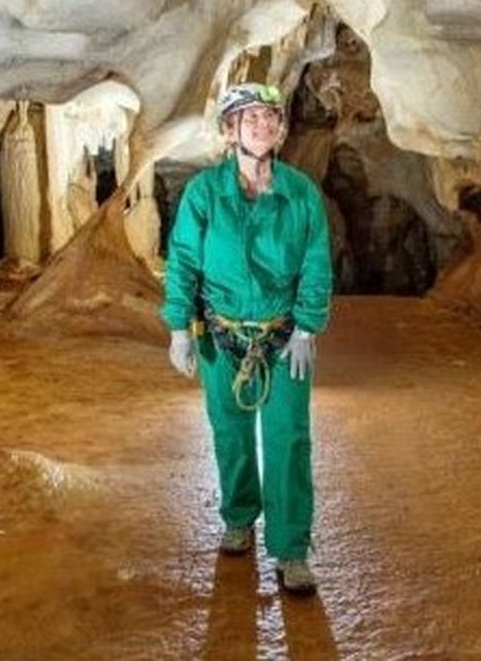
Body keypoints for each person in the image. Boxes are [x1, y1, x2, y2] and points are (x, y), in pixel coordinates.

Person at [162, 81, 334, 595]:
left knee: (288, 438)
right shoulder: (205, 194)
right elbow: (184, 263)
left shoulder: (300, 193)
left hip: (282, 337)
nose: (261, 125)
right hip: (223, 333)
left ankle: (291, 549)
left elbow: (316, 263)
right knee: (230, 432)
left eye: (269, 117)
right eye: (249, 117)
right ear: (230, 130)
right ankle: (239, 516)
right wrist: (179, 328)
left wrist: (307, 326)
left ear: (280, 128)